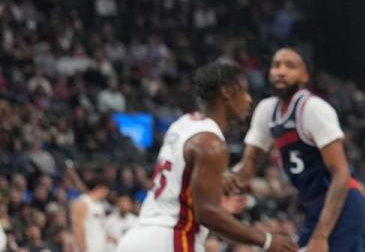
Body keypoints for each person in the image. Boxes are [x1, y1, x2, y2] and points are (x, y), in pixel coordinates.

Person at [116, 61, 297, 252]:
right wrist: (266, 240)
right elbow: (207, 213)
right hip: (172, 238)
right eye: (244, 91)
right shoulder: (211, 144)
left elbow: (181, 180)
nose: (249, 99)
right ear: (227, 92)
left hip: (138, 235)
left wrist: (219, 181)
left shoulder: (183, 123)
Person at [230, 48, 365, 252]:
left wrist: (321, 235)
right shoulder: (266, 110)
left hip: (343, 205)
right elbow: (249, 166)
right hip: (315, 207)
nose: (281, 71)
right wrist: (223, 182)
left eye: (290, 66)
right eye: (276, 65)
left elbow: (341, 174)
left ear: (305, 76)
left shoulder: (314, 108)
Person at [70, 175, 108, 252]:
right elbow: (78, 228)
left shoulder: (99, 205)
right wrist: (82, 249)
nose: (108, 191)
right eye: (106, 188)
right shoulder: (83, 203)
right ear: (100, 187)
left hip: (99, 247)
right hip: (88, 248)